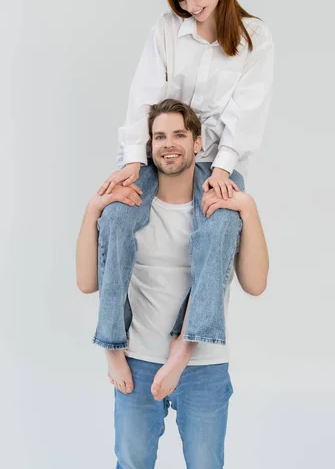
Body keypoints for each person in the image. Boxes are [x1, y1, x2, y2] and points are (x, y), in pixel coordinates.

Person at [94, 0, 274, 395]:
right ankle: (113, 339)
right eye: (180, 0)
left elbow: (248, 112)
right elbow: (144, 95)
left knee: (218, 231)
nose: (190, 8)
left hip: (216, 160)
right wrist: (135, 159)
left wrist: (224, 168)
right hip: (161, 151)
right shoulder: (167, 31)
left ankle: (187, 343)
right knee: (115, 217)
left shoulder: (254, 38)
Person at [76, 101, 269, 468]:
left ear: (198, 143)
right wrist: (92, 210)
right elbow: (88, 283)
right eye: (159, 136)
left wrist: (248, 208)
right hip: (137, 362)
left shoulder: (221, 211)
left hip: (204, 365)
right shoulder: (128, 208)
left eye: (179, 134)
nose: (169, 144)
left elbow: (256, 285)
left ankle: (185, 347)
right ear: (148, 147)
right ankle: (114, 349)